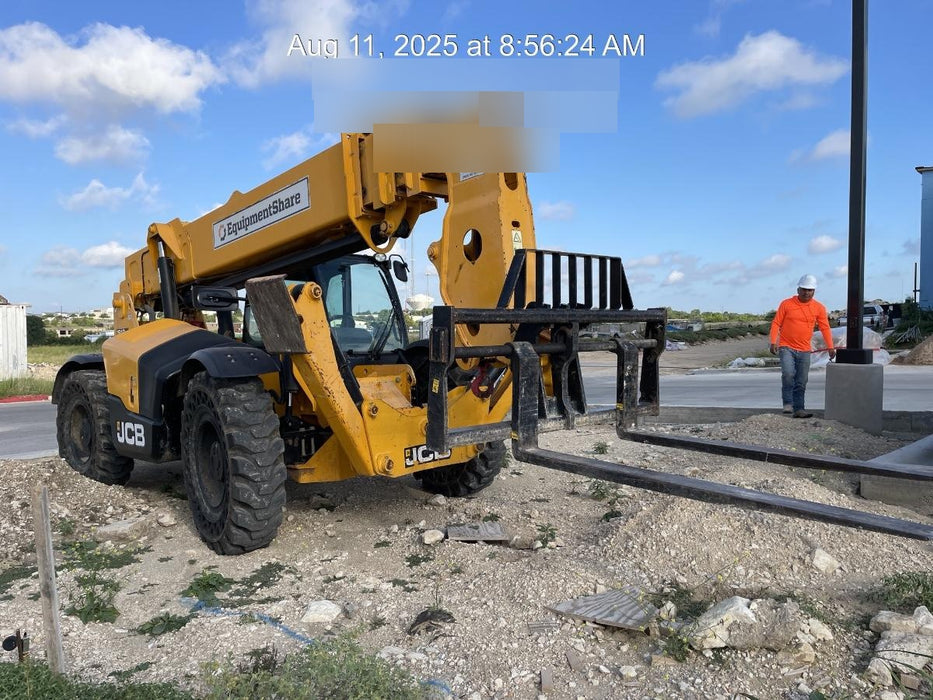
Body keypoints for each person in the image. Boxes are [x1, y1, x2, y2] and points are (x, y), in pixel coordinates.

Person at [769, 274, 836, 418]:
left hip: (805, 350)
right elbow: (776, 323)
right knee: (788, 374)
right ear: (798, 289)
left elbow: (825, 328)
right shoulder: (786, 304)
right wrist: (773, 341)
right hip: (786, 346)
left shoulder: (819, 308)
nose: (807, 292)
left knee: (801, 380)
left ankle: (799, 409)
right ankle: (788, 404)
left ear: (814, 291)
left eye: (810, 290)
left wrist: (830, 347)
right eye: (804, 289)